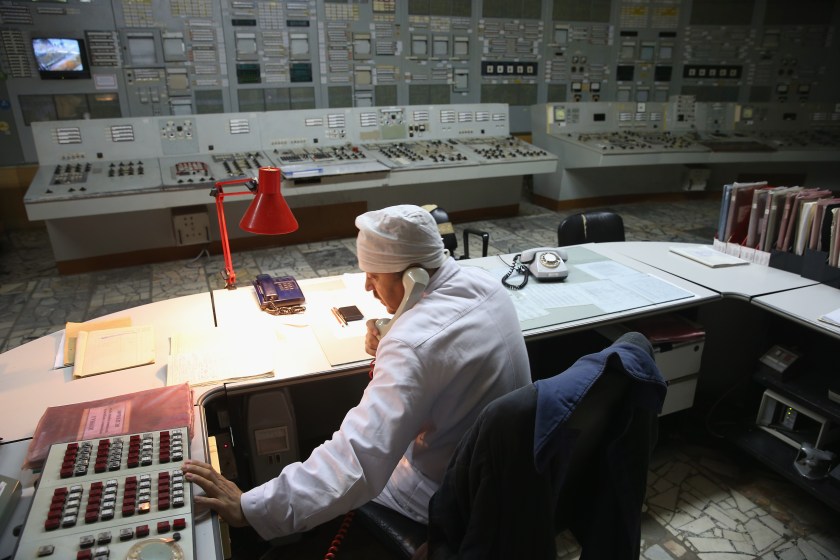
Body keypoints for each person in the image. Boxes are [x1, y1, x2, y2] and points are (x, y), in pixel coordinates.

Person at [182, 204, 531, 541]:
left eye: (374, 275)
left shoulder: (411, 345)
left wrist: (251, 507)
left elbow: (357, 462)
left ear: (413, 277)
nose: (367, 286)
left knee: (340, 463)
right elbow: (444, 344)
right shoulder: (485, 284)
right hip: (509, 472)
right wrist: (393, 330)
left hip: (448, 493)